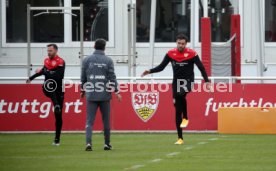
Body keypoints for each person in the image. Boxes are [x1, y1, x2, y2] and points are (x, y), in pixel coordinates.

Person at [141, 34, 211, 145]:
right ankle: (180, 138)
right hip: (176, 83)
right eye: (179, 43)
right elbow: (161, 67)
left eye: (183, 44)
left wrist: (207, 81)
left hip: (188, 82)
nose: (181, 45)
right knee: (177, 110)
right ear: (176, 43)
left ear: (186, 44)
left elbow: (201, 68)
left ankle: (186, 117)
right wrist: (149, 71)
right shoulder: (170, 54)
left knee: (180, 94)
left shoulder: (192, 54)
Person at [81, 38, 122, 151]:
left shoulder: (86, 60)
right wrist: (117, 91)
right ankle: (106, 144)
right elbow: (112, 77)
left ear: (94, 46)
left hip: (91, 94)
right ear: (104, 47)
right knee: (106, 121)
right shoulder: (108, 60)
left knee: (89, 121)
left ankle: (88, 143)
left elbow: (83, 78)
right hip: (104, 95)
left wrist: (82, 90)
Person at [26, 44, 65, 146]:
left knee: (58, 116)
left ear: (56, 51)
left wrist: (45, 71)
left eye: (50, 51)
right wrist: (31, 78)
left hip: (59, 89)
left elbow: (58, 76)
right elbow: (42, 72)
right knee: (49, 84)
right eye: (48, 51)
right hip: (48, 87)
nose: (49, 52)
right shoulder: (46, 61)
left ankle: (57, 139)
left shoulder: (61, 62)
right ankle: (56, 104)